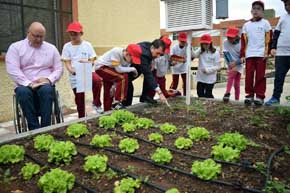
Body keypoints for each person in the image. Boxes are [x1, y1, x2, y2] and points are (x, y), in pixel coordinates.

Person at [6, 22, 63, 130]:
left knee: (46, 90)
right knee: (22, 92)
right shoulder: (16, 47)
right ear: (28, 33)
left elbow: (59, 68)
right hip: (24, 84)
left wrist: (48, 79)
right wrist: (29, 83)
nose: (39, 39)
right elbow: (13, 69)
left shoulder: (51, 48)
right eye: (36, 36)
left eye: (41, 36)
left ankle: (46, 128)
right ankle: (34, 129)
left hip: (44, 83)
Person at [62, 22, 103, 118]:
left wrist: (87, 61)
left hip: (87, 71)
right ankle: (81, 116)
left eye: (75, 33)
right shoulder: (67, 46)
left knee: (97, 81)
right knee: (79, 97)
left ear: (81, 34)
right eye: (71, 33)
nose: (73, 36)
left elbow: (93, 59)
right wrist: (71, 69)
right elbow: (67, 61)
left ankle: (96, 103)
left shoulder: (87, 45)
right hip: (75, 74)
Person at [240, 0, 272, 106]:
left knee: (260, 76)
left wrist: (267, 52)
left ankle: (259, 96)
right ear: (251, 11)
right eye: (254, 9)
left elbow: (269, 39)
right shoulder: (246, 25)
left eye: (258, 9)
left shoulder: (265, 23)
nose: (256, 11)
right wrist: (242, 55)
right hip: (249, 55)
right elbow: (243, 42)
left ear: (263, 12)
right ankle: (249, 95)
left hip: (261, 55)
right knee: (249, 76)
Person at [122, 39, 168, 106]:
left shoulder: (148, 45)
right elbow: (148, 75)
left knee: (150, 72)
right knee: (129, 87)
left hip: (136, 67)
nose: (158, 56)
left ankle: (145, 97)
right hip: (127, 70)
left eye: (160, 54)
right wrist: (160, 93)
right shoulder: (144, 55)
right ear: (152, 48)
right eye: (157, 53)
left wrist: (152, 61)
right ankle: (125, 107)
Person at [95, 44, 140, 111]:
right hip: (101, 68)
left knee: (109, 91)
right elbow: (118, 70)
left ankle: (107, 111)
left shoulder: (128, 61)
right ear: (127, 54)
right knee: (123, 77)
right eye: (133, 59)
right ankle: (118, 102)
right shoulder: (116, 52)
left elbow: (119, 72)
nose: (133, 62)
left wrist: (114, 86)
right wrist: (133, 69)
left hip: (111, 71)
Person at [265, 0, 290, 106]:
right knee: (279, 77)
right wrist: (273, 47)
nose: (287, 7)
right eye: (285, 5)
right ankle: (275, 98)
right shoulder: (283, 17)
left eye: (289, 4)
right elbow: (276, 34)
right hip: (281, 53)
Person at [195, 34, 221, 98]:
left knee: (208, 95)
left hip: (210, 78)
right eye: (203, 44)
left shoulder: (216, 53)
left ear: (210, 43)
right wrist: (189, 47)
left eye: (207, 44)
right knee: (199, 93)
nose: (205, 45)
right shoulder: (200, 50)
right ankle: (202, 107)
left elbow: (218, 66)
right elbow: (194, 55)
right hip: (201, 78)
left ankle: (212, 106)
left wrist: (207, 70)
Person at [169, 32, 194, 96]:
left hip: (184, 66)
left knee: (186, 82)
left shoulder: (188, 47)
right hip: (175, 67)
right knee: (175, 83)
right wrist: (174, 61)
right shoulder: (174, 47)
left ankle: (185, 96)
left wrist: (190, 47)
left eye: (184, 41)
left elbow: (192, 57)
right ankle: (171, 94)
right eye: (181, 41)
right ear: (178, 40)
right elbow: (171, 57)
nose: (183, 43)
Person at [222, 27, 243, 102]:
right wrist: (230, 64)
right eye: (228, 37)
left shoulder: (242, 43)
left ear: (237, 36)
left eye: (231, 37)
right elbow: (225, 53)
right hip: (230, 62)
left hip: (239, 63)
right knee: (232, 76)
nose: (229, 39)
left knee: (237, 83)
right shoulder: (225, 42)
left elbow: (244, 57)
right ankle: (227, 93)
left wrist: (236, 63)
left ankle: (236, 99)